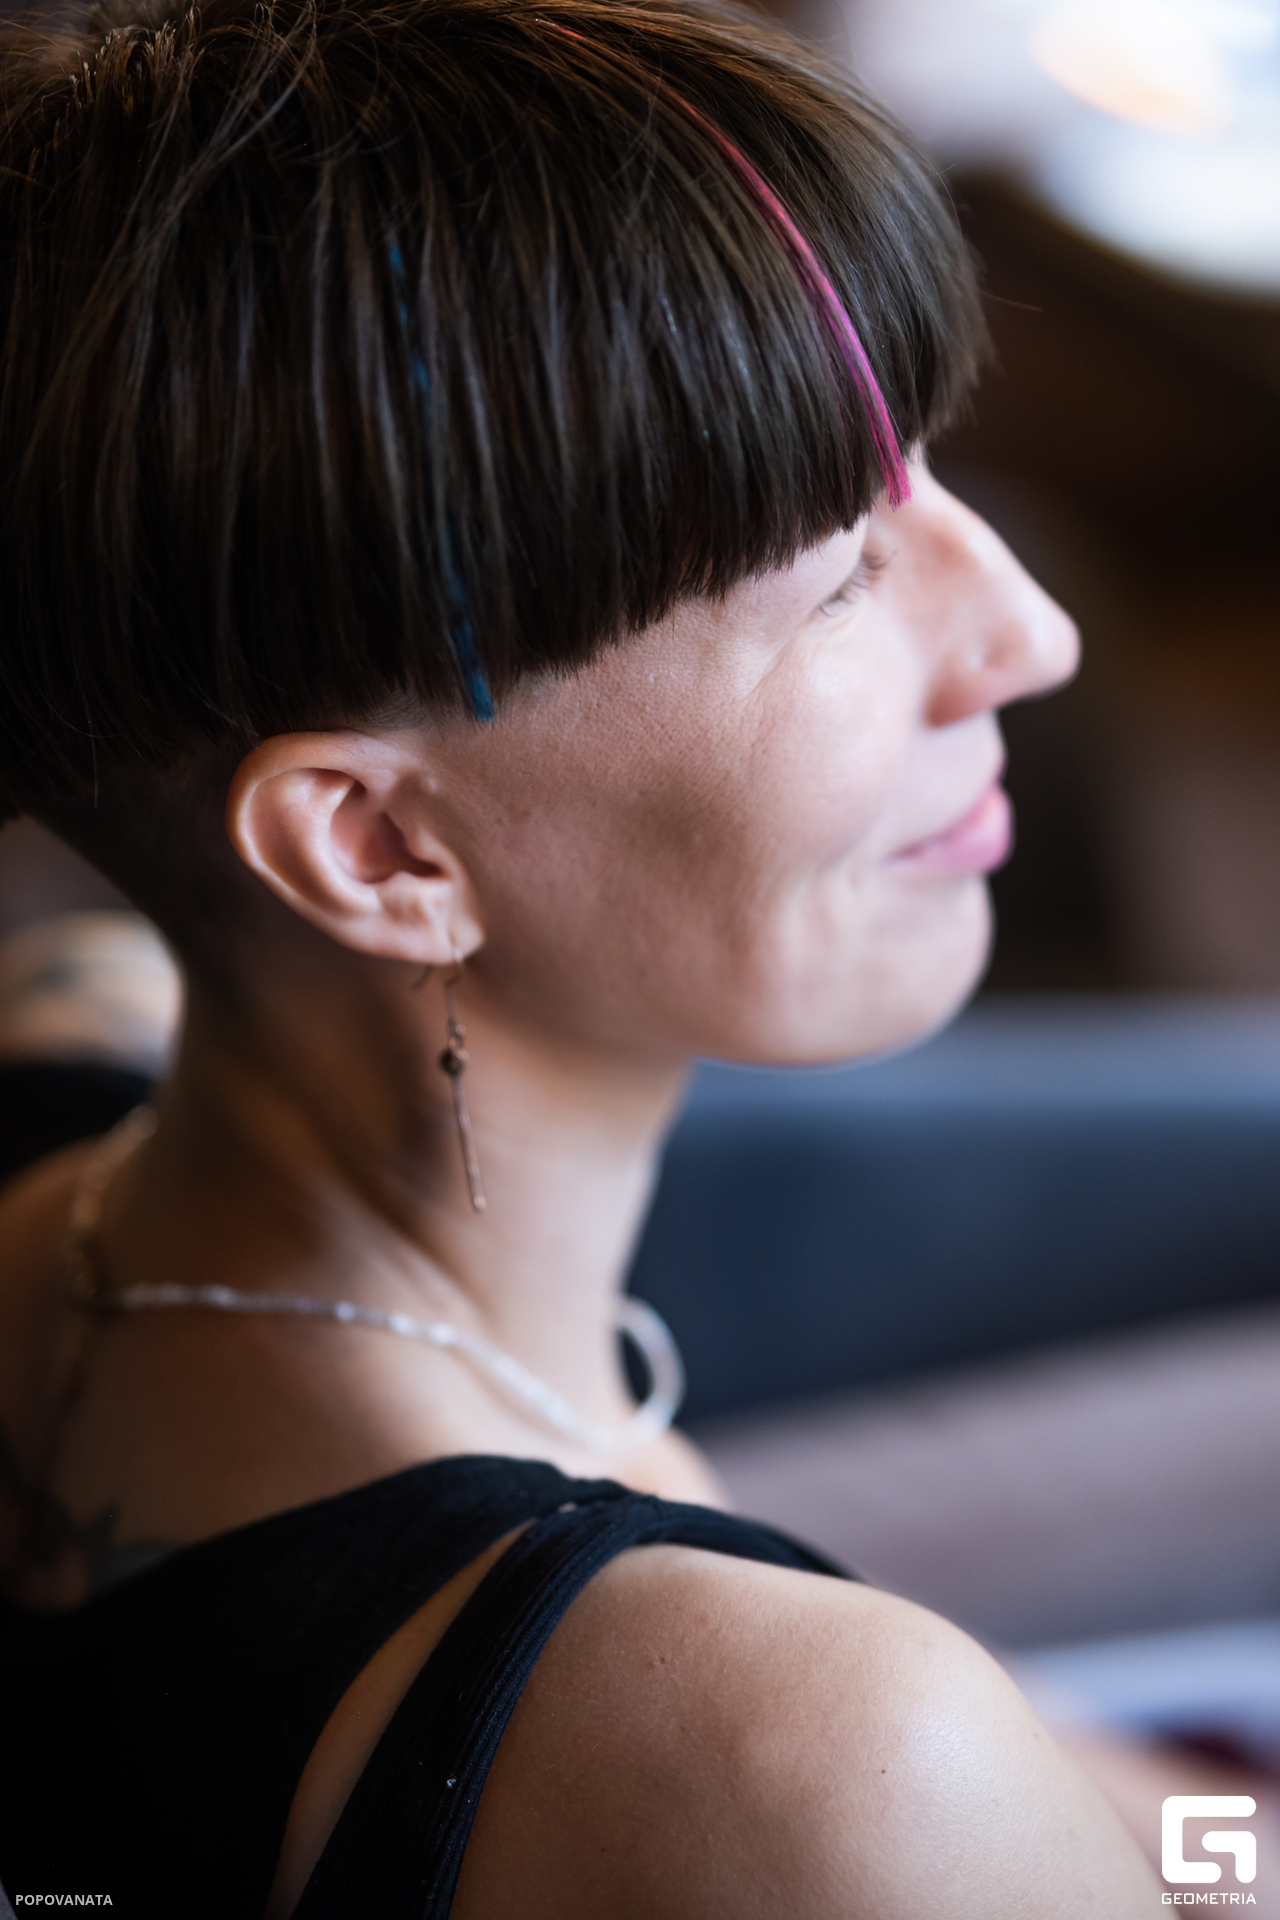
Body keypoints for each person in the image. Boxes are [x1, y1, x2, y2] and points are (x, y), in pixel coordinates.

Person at [0, 0, 1160, 1913]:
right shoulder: (829, 1764)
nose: (1029, 633)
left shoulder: (63, 1045)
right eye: (839, 577)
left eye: (926, 463)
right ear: (380, 849)